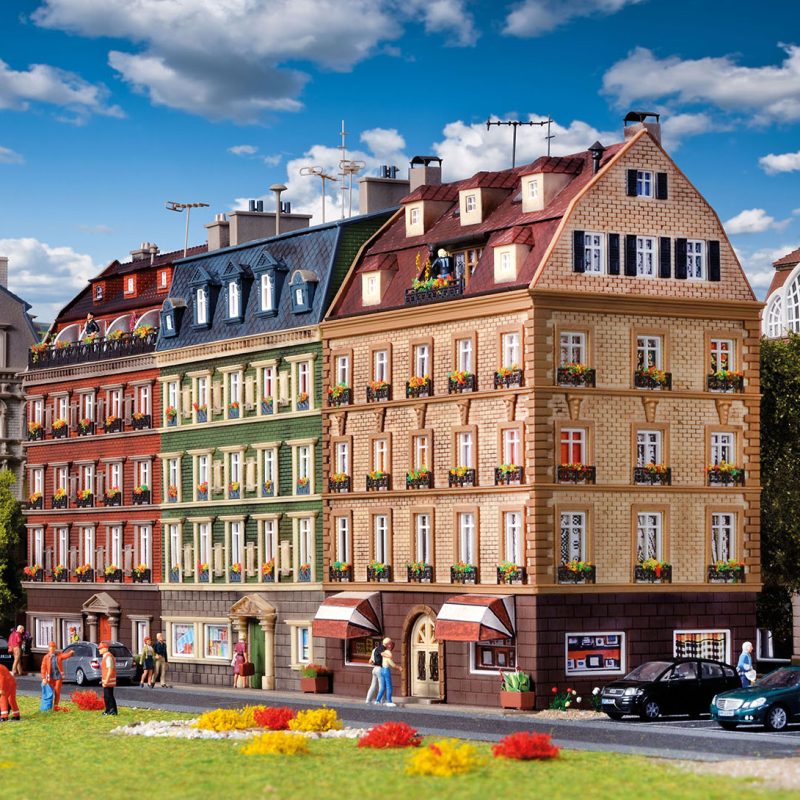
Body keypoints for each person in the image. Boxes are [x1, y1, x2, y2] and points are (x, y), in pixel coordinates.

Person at [40, 641, 74, 709]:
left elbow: (65, 655)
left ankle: (55, 705)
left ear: (55, 648)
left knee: (57, 691)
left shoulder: (58, 655)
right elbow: (43, 667)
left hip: (58, 676)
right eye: (50, 647)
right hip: (50, 677)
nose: (52, 649)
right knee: (49, 691)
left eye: (53, 647)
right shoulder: (46, 657)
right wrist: (43, 677)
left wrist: (70, 653)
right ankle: (48, 705)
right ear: (48, 648)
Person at [375, 637, 401, 707]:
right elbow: (392, 664)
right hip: (386, 670)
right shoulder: (387, 652)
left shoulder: (384, 651)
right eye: (390, 644)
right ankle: (389, 701)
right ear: (388, 644)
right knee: (389, 686)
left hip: (382, 669)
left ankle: (377, 700)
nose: (391, 645)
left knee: (383, 687)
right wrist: (399, 667)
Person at [98, 641, 117, 716]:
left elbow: (110, 669)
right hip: (106, 680)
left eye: (100, 648)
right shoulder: (105, 656)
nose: (99, 650)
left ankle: (111, 710)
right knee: (107, 696)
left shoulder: (108, 656)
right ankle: (109, 710)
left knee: (108, 696)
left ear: (105, 648)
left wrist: (107, 679)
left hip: (109, 680)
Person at [365, 639, 385, 704]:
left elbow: (370, 661)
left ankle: (368, 700)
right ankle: (381, 701)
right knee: (381, 686)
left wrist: (375, 663)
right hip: (380, 669)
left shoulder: (374, 650)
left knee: (373, 685)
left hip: (375, 669)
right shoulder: (384, 650)